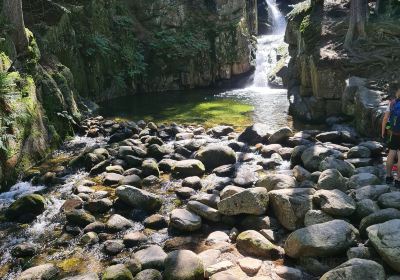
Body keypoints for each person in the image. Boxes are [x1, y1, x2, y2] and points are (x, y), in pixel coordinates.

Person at [382, 83, 400, 186]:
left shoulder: (392, 103)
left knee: (391, 153)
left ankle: (388, 177)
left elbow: (385, 118)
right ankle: (398, 180)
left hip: (394, 133)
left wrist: (383, 131)